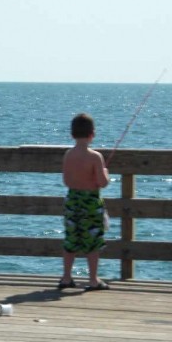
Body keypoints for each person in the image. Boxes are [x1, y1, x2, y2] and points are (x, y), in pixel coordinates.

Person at [58, 113, 110, 291]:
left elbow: (66, 181)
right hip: (91, 203)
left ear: (72, 134)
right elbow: (102, 183)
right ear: (92, 134)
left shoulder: (68, 155)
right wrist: (105, 172)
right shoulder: (95, 157)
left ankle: (66, 277)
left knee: (71, 239)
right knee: (93, 241)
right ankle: (93, 280)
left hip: (72, 201)